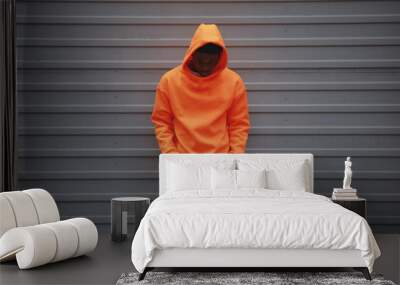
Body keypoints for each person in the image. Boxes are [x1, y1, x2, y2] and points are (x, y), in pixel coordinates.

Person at [151, 23, 250, 153]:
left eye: (210, 60)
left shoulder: (234, 82)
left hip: (221, 160)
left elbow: (239, 125)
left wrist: (233, 157)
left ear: (220, 57)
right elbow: (162, 122)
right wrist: (171, 155)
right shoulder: (169, 81)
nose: (205, 65)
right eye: (201, 60)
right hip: (182, 159)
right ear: (192, 53)